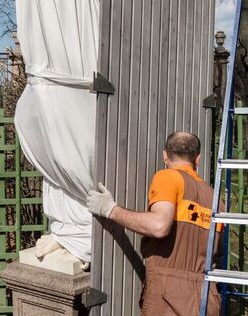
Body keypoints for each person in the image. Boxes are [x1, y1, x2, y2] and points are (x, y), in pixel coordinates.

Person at [87, 131, 222, 315]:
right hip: (207, 297)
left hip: (169, 298)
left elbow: (159, 226)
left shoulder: (168, 177)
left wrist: (110, 209)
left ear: (165, 155)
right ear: (197, 159)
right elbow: (217, 254)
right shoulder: (215, 198)